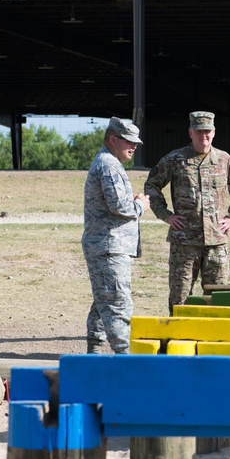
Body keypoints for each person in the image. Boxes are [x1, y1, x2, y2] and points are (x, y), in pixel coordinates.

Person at [144, 111, 230, 313]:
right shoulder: (175, 159)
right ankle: (177, 338)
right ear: (190, 132)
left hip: (216, 242)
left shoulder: (225, 160)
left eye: (207, 131)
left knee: (217, 298)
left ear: (214, 132)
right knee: (180, 296)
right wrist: (166, 215)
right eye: (199, 131)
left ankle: (213, 340)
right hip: (184, 243)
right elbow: (152, 185)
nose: (204, 136)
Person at [82, 117, 150, 354]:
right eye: (129, 141)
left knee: (103, 302)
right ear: (113, 139)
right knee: (117, 303)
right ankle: (125, 357)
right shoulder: (109, 165)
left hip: (106, 245)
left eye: (136, 143)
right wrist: (141, 205)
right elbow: (120, 207)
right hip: (110, 246)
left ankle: (95, 355)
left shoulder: (108, 162)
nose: (134, 146)